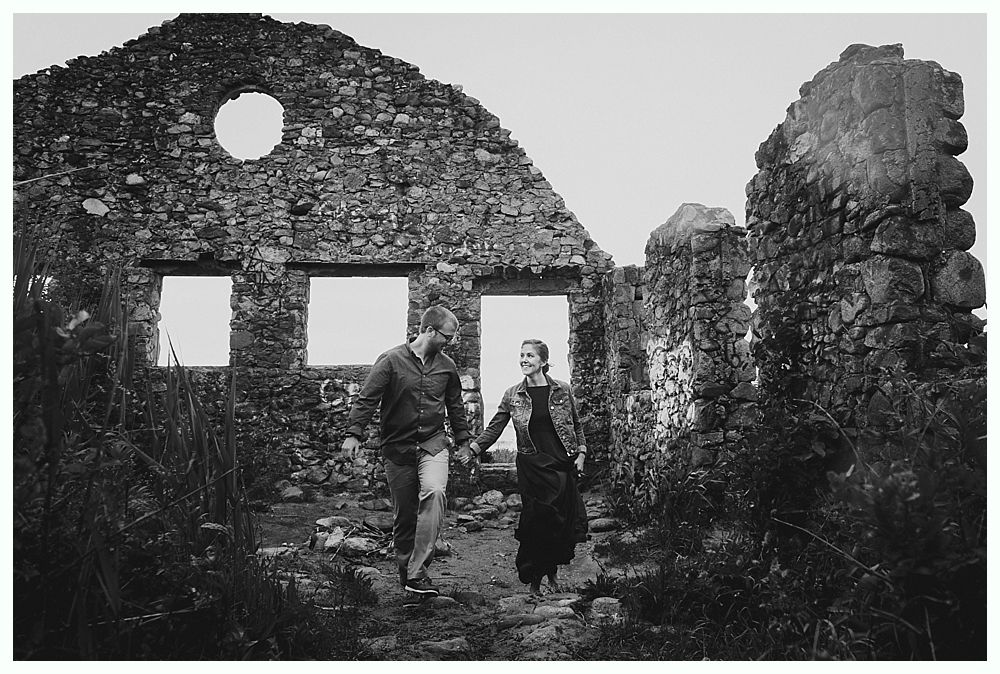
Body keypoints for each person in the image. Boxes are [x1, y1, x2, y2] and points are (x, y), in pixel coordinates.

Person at [342, 305, 474, 598]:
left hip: (433, 444)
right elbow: (367, 400)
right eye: (447, 337)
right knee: (405, 516)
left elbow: (455, 406)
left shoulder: (447, 367)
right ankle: (408, 577)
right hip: (398, 448)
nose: (449, 343)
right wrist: (354, 434)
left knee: (435, 492)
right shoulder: (390, 361)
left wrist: (464, 441)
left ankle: (417, 572)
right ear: (429, 330)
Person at [468, 338, 588, 595]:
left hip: (561, 465)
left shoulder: (562, 390)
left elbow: (576, 425)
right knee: (536, 523)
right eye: (522, 355)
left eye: (530, 356)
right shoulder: (513, 394)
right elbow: (496, 426)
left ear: (543, 361)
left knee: (560, 523)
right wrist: (475, 448)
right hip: (532, 467)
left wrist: (581, 454)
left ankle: (552, 575)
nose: (524, 360)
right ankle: (534, 581)